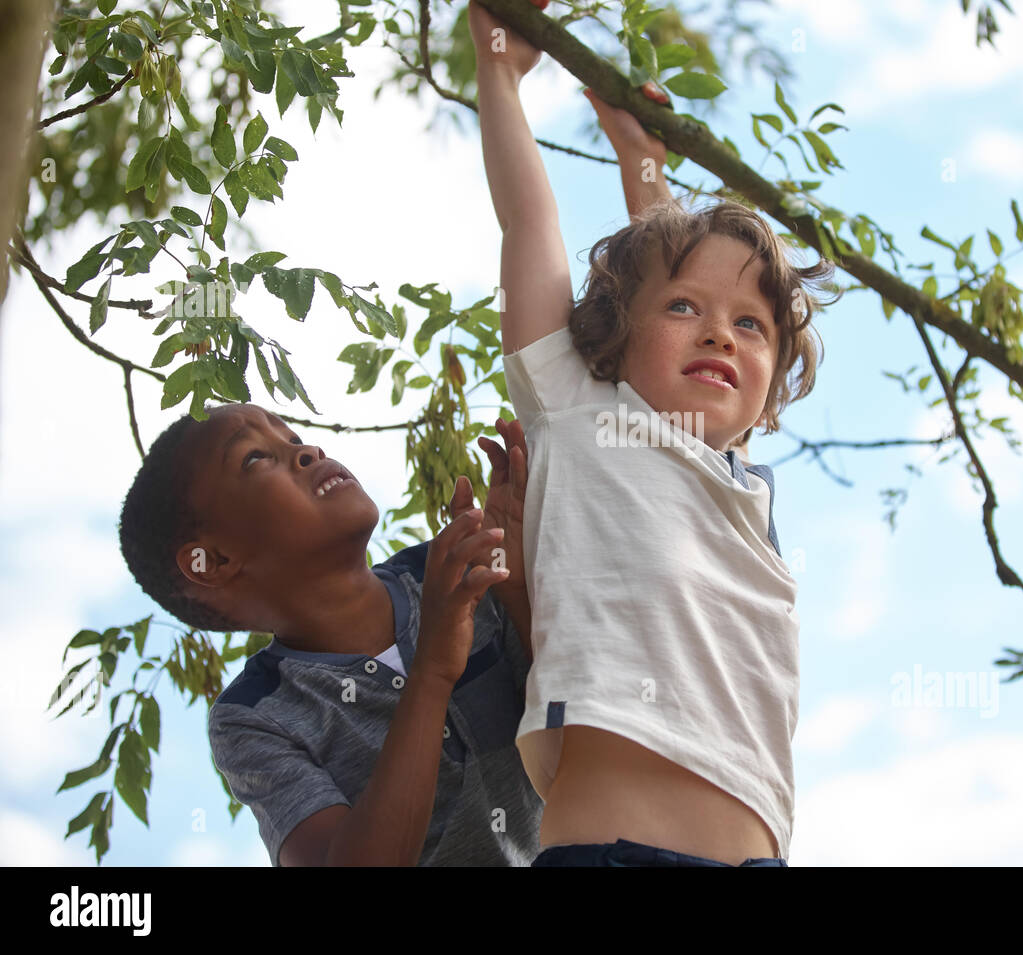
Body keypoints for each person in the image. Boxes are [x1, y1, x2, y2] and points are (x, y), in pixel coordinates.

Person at [470, 0, 837, 867]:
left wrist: (643, 157)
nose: (720, 333)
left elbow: (677, 271)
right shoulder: (580, 409)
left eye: (753, 326)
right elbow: (531, 224)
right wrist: (499, 69)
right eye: (685, 312)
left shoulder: (740, 486)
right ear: (611, 337)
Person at [118, 401, 537, 865]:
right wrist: (434, 670)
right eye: (256, 458)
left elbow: (587, 725)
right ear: (213, 561)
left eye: (295, 440)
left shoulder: (455, 569)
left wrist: (517, 586)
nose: (308, 451)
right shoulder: (254, 717)